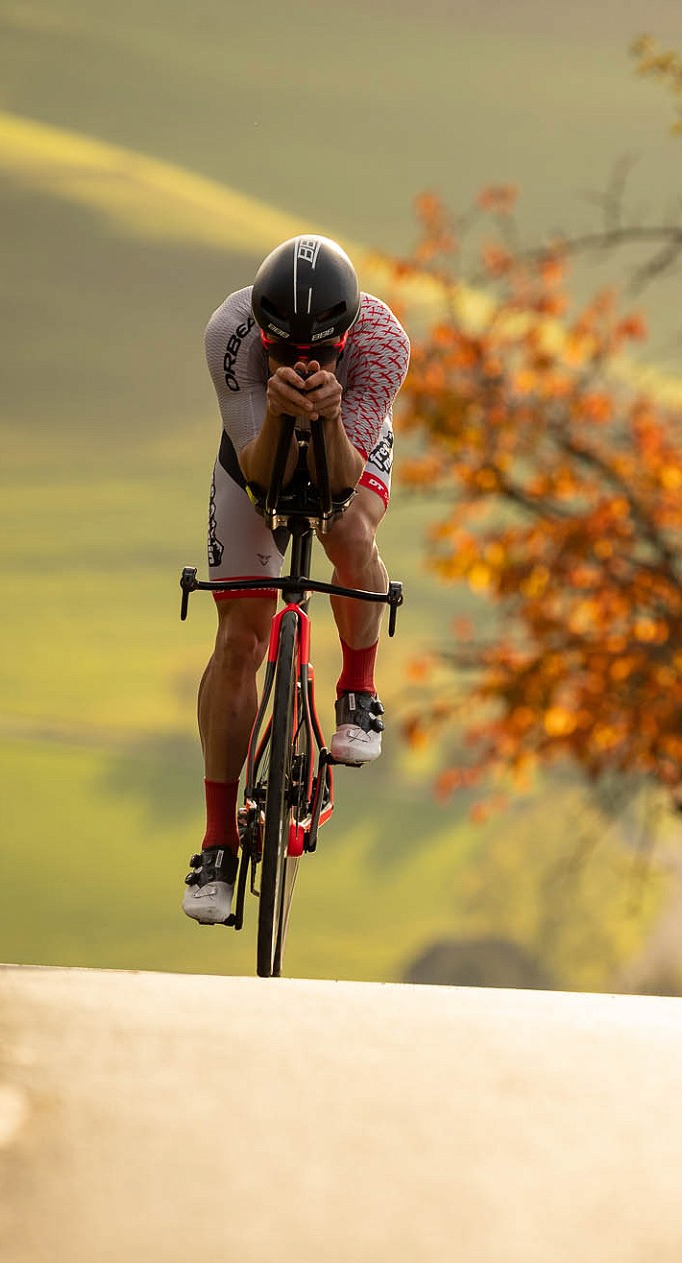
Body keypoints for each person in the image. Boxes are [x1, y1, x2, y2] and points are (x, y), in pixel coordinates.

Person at [183, 234, 410, 924]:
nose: (299, 363)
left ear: (345, 339)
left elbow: (341, 484)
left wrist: (330, 412)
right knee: (240, 642)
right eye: (283, 353)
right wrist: (283, 406)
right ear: (262, 333)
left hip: (351, 443)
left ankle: (358, 689)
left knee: (348, 532)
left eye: (316, 355)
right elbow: (258, 474)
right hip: (252, 451)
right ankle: (219, 843)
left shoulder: (380, 343)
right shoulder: (232, 334)